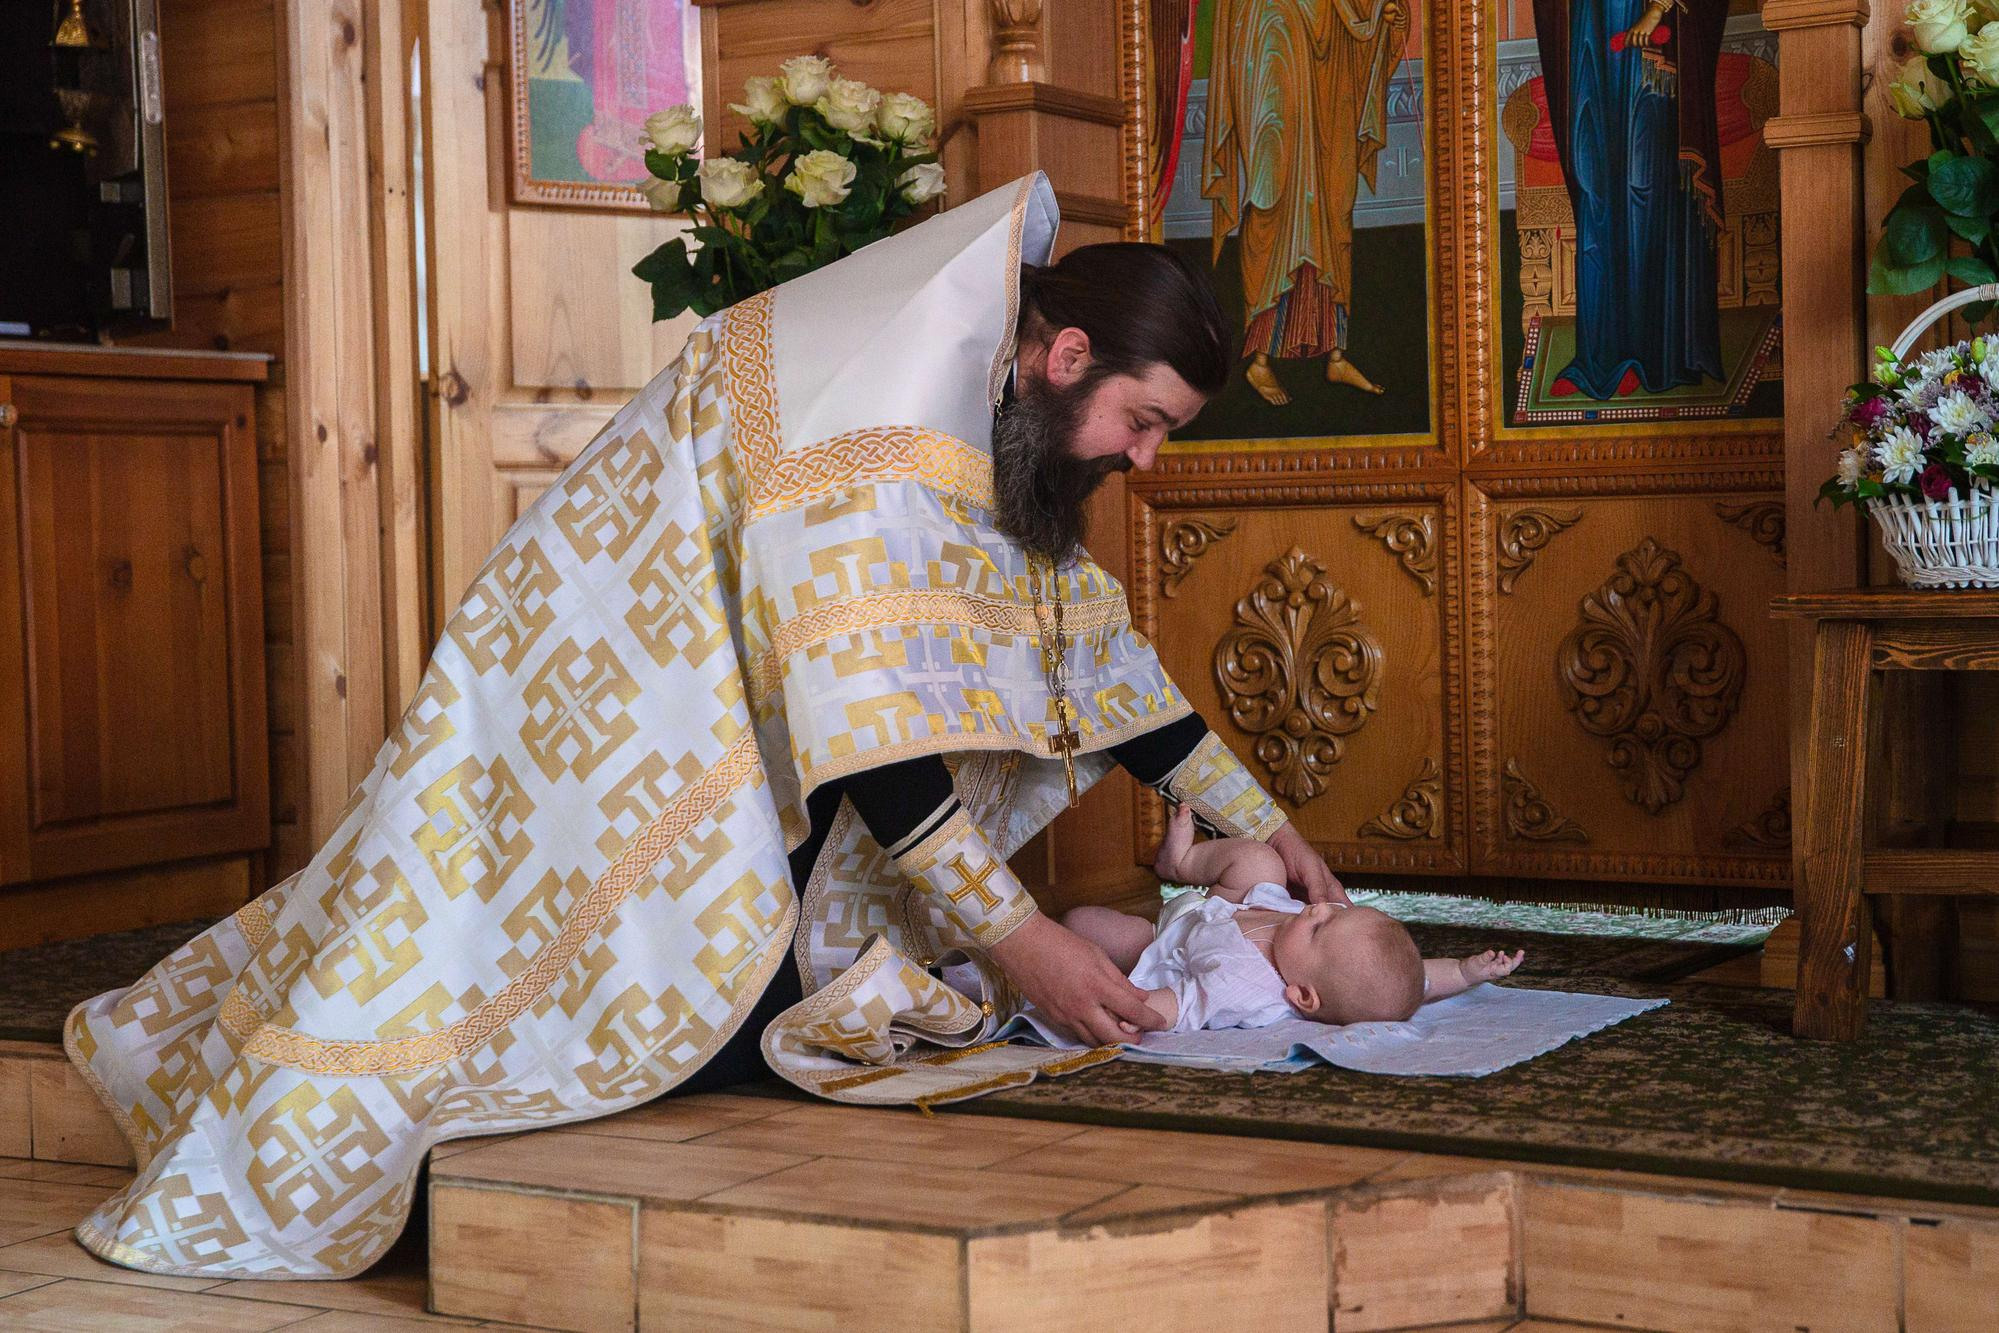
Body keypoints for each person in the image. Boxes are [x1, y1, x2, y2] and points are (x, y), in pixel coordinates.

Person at [64, 174, 1336, 1280]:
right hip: (630, 681)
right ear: (1064, 360)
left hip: (734, 711)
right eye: (1147, 423)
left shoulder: (996, 414)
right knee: (602, 1013)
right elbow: (876, 733)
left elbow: (1085, 651)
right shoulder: (889, 411)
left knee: (742, 1027)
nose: (1146, 460)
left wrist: (1262, 819)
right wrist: (1022, 945)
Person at [1065, 802, 1523, 1031]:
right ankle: (1181, 863)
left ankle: (1082, 940)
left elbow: (1182, 1003)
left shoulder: (1244, 986)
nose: (1319, 906)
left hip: (1162, 943)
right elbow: (1411, 982)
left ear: (1302, 995)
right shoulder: (1299, 929)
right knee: (1264, 862)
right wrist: (1465, 972)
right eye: (1339, 913)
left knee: (1080, 924)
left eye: (1321, 926)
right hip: (1226, 903)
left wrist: (1135, 1012)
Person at [1203, 0, 1410, 406]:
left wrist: (1384, 18)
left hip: (1330, 71)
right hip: (1270, 54)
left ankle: (1335, 353)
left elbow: (1361, 15)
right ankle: (1259, 359)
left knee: (1330, 210)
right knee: (1272, 201)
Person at [1534, 0, 1729, 399]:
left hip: (1652, 47)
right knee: (1595, 183)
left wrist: (1657, 9)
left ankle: (1653, 354)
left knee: (1644, 183)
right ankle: (1601, 356)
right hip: (1590, 29)